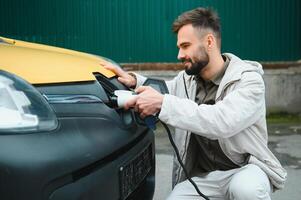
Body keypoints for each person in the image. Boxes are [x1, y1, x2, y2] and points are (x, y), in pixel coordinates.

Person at [100, 7, 287, 200]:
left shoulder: (249, 81)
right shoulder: (187, 80)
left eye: (185, 46)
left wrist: (163, 104)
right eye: (179, 47)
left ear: (209, 42)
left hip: (245, 170)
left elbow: (221, 121)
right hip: (205, 178)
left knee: (246, 190)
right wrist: (134, 80)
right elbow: (165, 89)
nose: (179, 55)